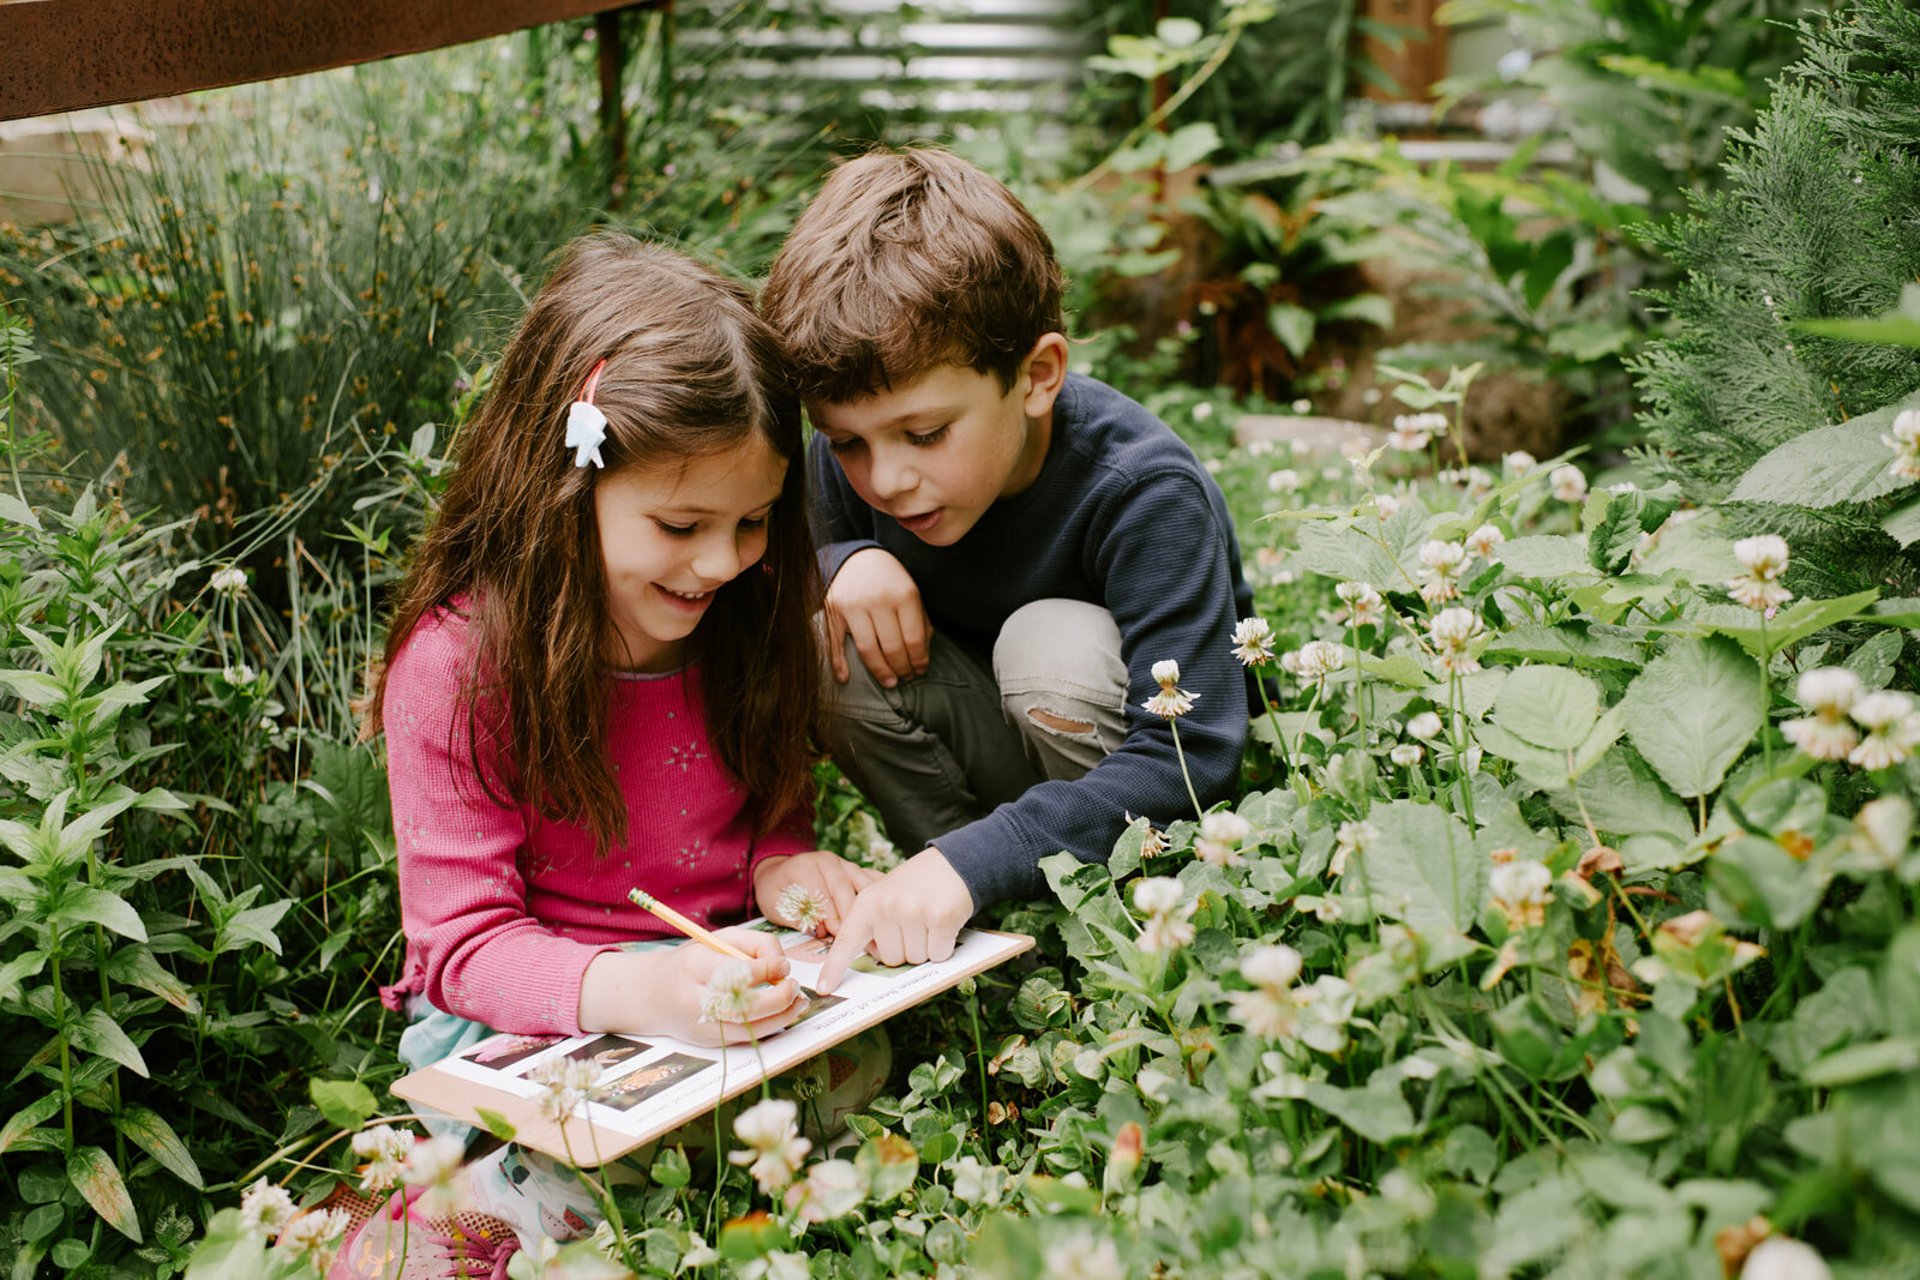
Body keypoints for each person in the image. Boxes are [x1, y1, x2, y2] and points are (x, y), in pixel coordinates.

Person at [333, 231, 887, 1273]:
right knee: (580, 1185)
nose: (721, 560)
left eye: (754, 520)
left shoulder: (743, 612)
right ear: (566, 481)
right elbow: (463, 945)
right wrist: (646, 994)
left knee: (865, 1066)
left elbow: (768, 807)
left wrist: (783, 863)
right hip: (542, 1020)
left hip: (719, 982)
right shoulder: (458, 667)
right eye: (679, 523)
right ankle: (438, 1216)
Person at [759, 148, 1258, 993]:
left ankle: (1103, 908)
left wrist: (978, 857)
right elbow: (759, 580)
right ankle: (983, 922)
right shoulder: (849, 472)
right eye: (847, 442)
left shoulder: (1143, 491)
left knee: (1047, 649)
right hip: (992, 774)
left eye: (923, 435)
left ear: (1036, 377)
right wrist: (832, 564)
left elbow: (1194, 758)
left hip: (1148, 799)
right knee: (824, 637)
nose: (884, 479)